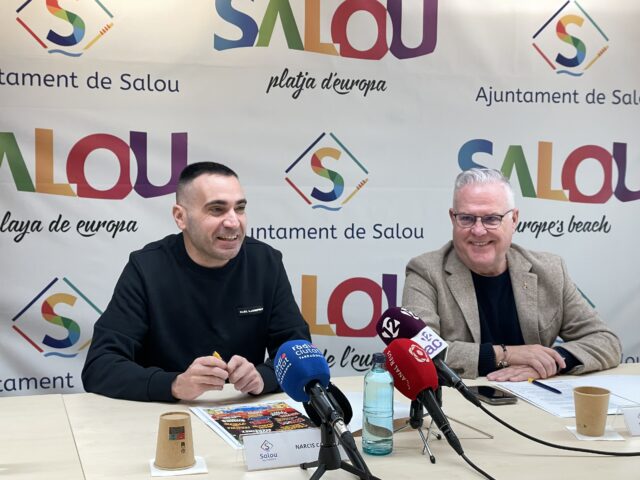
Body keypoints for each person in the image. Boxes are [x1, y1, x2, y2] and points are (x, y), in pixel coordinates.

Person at [82, 162, 311, 401]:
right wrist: (174, 385)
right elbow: (100, 366)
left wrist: (263, 377)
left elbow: (299, 353)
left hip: (240, 410)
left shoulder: (266, 262)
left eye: (240, 208)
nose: (233, 222)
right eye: (217, 210)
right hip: (165, 415)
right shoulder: (146, 268)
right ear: (180, 217)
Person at [402, 168, 621, 382]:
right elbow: (417, 349)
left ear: (514, 219)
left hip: (535, 397)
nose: (478, 230)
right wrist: (507, 354)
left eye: (491, 219)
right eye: (467, 218)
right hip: (460, 401)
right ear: (453, 218)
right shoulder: (425, 271)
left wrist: (549, 362)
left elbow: (605, 341)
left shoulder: (550, 270)